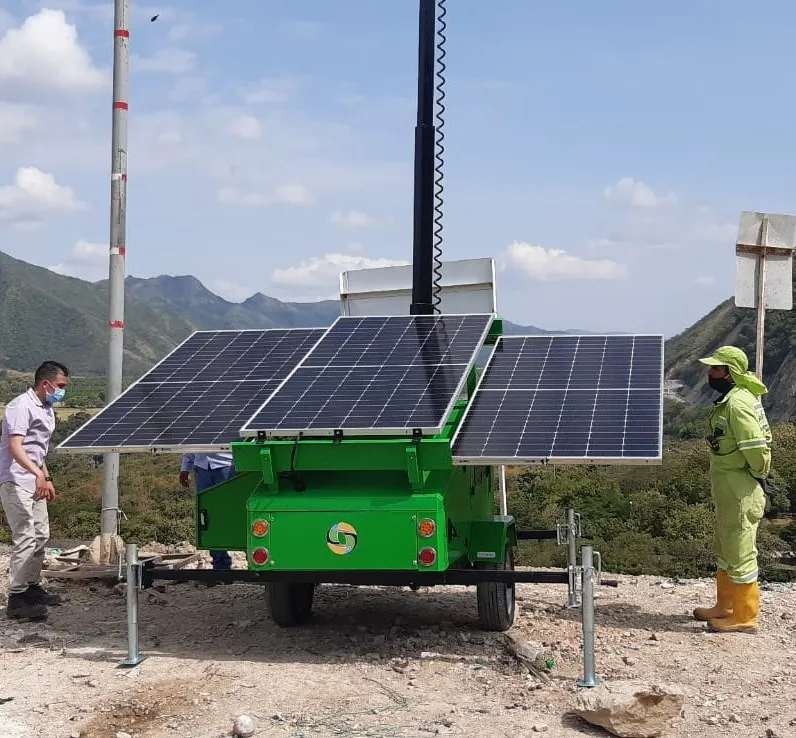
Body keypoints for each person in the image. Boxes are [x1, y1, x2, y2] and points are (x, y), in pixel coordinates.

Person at [692, 345, 771, 634]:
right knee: (725, 549)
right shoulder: (731, 400)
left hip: (741, 492)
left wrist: (754, 474)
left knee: (740, 553)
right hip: (729, 491)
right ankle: (724, 607)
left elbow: (757, 450)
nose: (710, 373)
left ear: (730, 372)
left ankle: (745, 616)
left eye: (716, 368)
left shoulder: (737, 404)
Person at [0, 361, 69, 620]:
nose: (62, 391)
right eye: (60, 386)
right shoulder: (21, 407)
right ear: (46, 384)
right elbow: (15, 448)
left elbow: (37, 450)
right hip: (16, 480)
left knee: (41, 535)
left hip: (35, 479)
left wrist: (45, 476)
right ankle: (16, 599)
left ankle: (31, 586)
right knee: (26, 536)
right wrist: (38, 473)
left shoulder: (47, 409)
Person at [179, 452, 235, 570]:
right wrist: (185, 469)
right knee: (208, 517)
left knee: (234, 513)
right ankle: (220, 565)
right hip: (202, 469)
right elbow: (191, 441)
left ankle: (252, 561)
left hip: (227, 466)